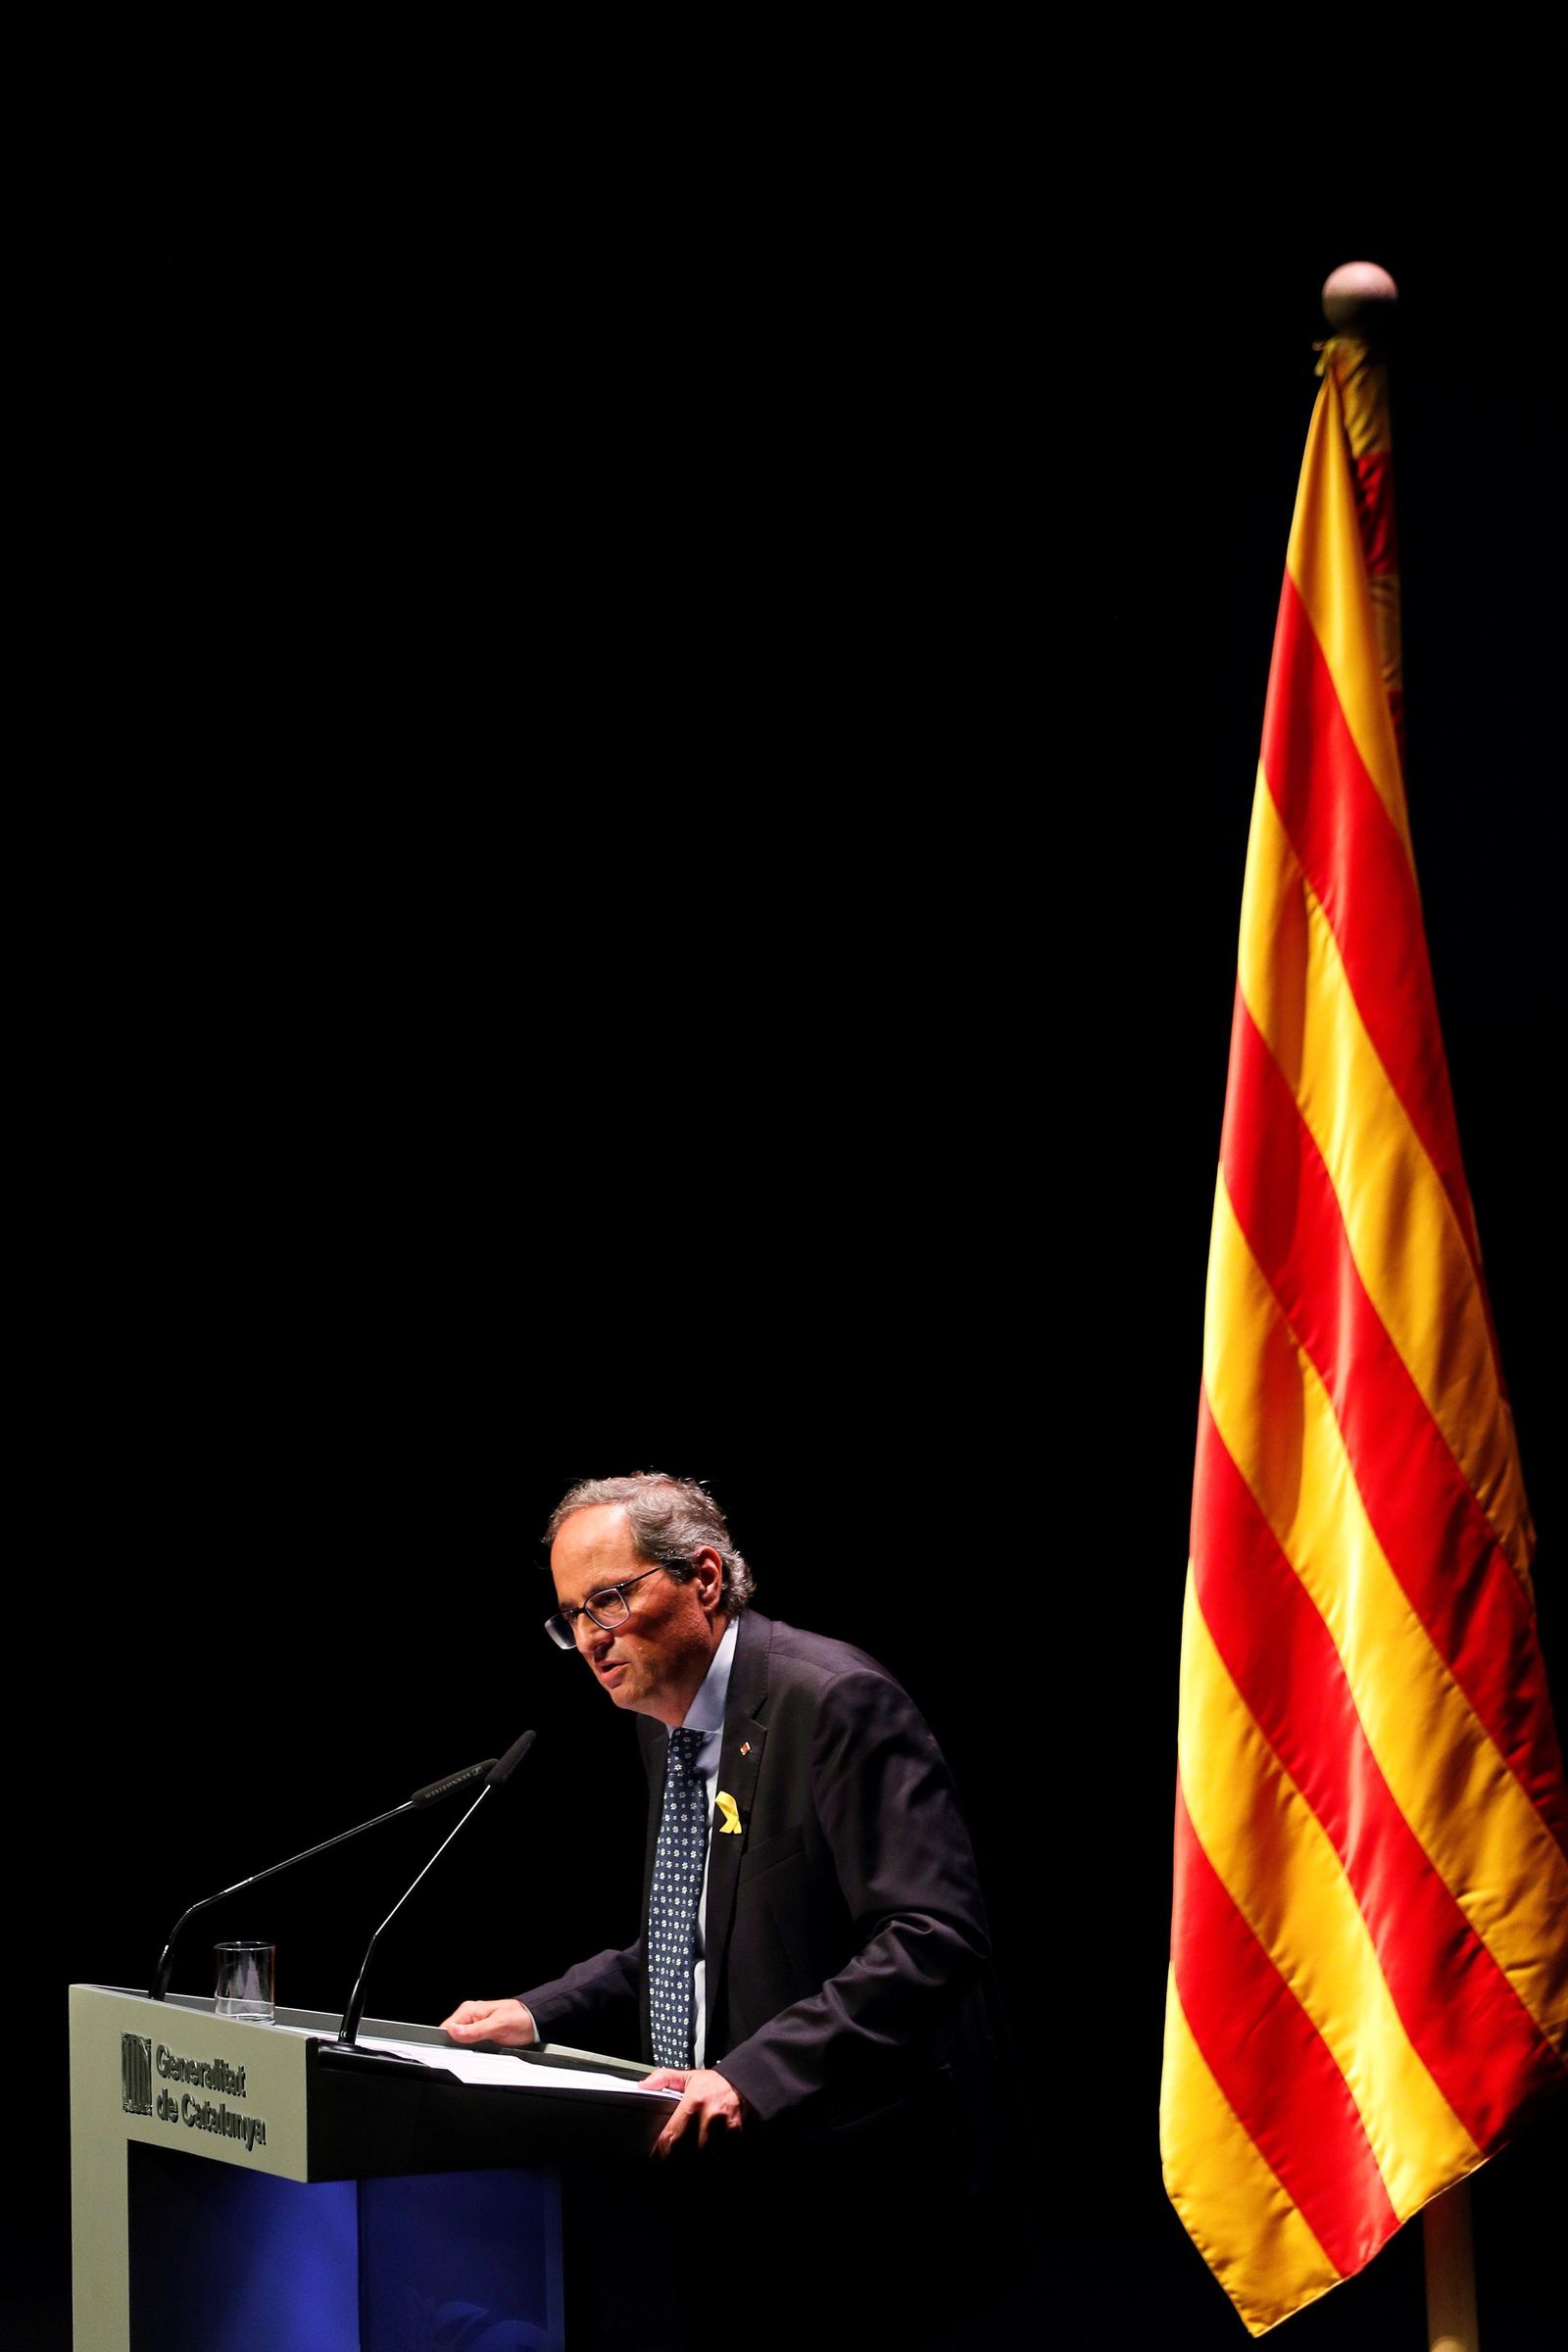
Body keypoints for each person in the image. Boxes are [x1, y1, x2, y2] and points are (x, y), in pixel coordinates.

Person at [441, 1471, 1035, 2345]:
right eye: (571, 1616)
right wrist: (539, 2012)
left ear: (705, 1579)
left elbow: (931, 1938)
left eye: (608, 1600)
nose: (591, 1639)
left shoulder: (833, 1702)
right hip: (726, 2183)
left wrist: (752, 2077)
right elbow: (694, 1934)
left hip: (861, 2194)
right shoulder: (667, 1724)